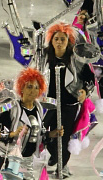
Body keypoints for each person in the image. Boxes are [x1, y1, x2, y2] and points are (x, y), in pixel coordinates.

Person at [41, 22, 95, 178]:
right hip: (49, 103)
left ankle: (62, 165)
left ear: (68, 41)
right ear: (51, 41)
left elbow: (89, 78)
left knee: (64, 136)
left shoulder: (76, 58)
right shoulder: (43, 56)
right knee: (45, 134)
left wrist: (85, 91)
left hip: (69, 104)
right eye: (56, 39)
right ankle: (55, 154)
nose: (59, 42)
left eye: (62, 39)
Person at [0, 68, 57, 180]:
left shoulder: (39, 109)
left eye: (37, 88)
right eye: (29, 87)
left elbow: (39, 134)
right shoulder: (12, 109)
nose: (33, 91)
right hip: (9, 159)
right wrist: (14, 134)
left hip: (28, 160)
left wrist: (52, 134)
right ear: (21, 88)